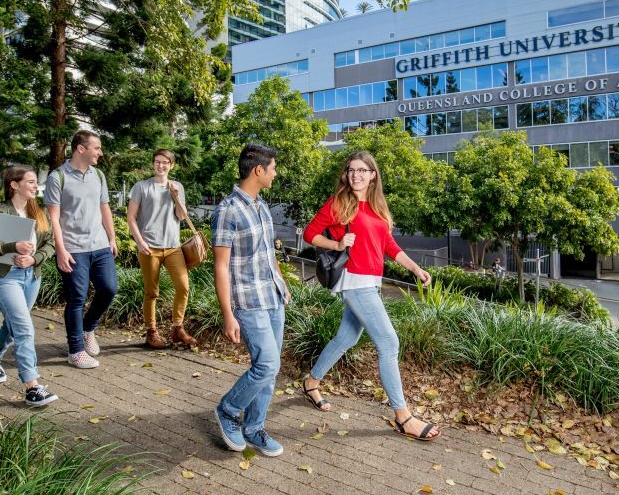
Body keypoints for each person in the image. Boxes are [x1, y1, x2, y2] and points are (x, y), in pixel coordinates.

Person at [301, 151, 440, 441]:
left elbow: (388, 244)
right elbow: (310, 234)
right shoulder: (339, 202)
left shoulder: (377, 207)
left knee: (346, 338)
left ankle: (311, 381)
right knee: (389, 342)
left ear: (373, 174)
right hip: (354, 280)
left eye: (363, 170)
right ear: (346, 174)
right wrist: (337, 244)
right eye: (352, 170)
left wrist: (415, 269)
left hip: (371, 280)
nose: (357, 175)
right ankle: (403, 417)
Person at [211, 143, 289, 457]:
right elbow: (221, 266)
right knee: (267, 365)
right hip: (247, 301)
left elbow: (265, 254)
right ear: (258, 170)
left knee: (269, 367)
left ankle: (254, 428)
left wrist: (280, 283)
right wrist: (227, 314)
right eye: (272, 168)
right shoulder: (228, 209)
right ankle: (228, 410)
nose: (275, 173)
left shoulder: (260, 205)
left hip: (272, 296)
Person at [0, 165, 58, 406]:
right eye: (30, 181)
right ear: (14, 184)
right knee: (24, 328)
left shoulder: (38, 212)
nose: (35, 186)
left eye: (35, 182)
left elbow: (49, 244)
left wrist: (34, 258)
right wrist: (12, 247)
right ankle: (32, 387)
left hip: (31, 277)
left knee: (12, 325)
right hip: (5, 278)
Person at [45, 130, 119, 369]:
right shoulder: (58, 177)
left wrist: (112, 237)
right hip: (74, 249)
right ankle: (75, 350)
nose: (100, 152)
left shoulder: (98, 175)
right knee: (76, 299)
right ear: (81, 149)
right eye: (96, 148)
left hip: (100, 246)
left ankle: (88, 328)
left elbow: (104, 208)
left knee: (109, 289)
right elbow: (53, 218)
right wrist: (61, 249)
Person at [127, 149, 197, 349]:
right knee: (152, 292)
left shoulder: (177, 187)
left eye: (165, 162)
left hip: (173, 247)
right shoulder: (141, 187)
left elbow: (181, 216)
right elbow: (131, 217)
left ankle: (177, 328)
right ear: (153, 164)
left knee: (183, 287)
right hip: (150, 247)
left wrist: (175, 196)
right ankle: (151, 332)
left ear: (171, 165)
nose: (161, 165)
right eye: (157, 162)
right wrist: (140, 242)